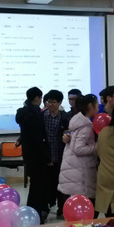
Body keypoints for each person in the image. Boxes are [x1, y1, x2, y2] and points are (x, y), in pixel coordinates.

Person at [57, 94, 99, 216]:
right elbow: (78, 149)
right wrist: (98, 146)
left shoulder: (78, 122)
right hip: (79, 173)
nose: (98, 108)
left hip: (73, 169)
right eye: (96, 105)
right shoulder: (85, 126)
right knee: (85, 212)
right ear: (90, 106)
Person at [15, 87, 49, 223]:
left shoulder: (25, 112)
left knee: (35, 185)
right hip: (37, 156)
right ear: (37, 98)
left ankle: (33, 213)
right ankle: (35, 215)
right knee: (37, 187)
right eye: (41, 98)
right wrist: (46, 156)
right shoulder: (33, 115)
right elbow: (38, 139)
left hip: (29, 154)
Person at [43, 90, 70, 218]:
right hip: (46, 156)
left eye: (53, 102)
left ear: (59, 102)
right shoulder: (42, 116)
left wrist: (67, 136)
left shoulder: (65, 117)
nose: (50, 104)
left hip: (60, 155)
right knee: (46, 184)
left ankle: (61, 208)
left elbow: (69, 132)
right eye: (49, 102)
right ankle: (46, 206)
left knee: (61, 183)